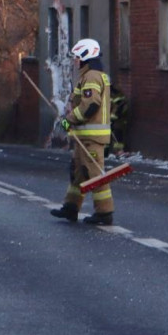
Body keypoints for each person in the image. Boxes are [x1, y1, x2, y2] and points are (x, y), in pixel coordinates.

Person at [50, 38, 115, 226]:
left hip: (92, 138)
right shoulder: (88, 76)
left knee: (95, 174)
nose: (75, 61)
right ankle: (71, 207)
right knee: (78, 173)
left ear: (86, 56)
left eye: (77, 57)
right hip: (83, 136)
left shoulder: (92, 76)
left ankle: (104, 212)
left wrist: (69, 120)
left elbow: (90, 105)